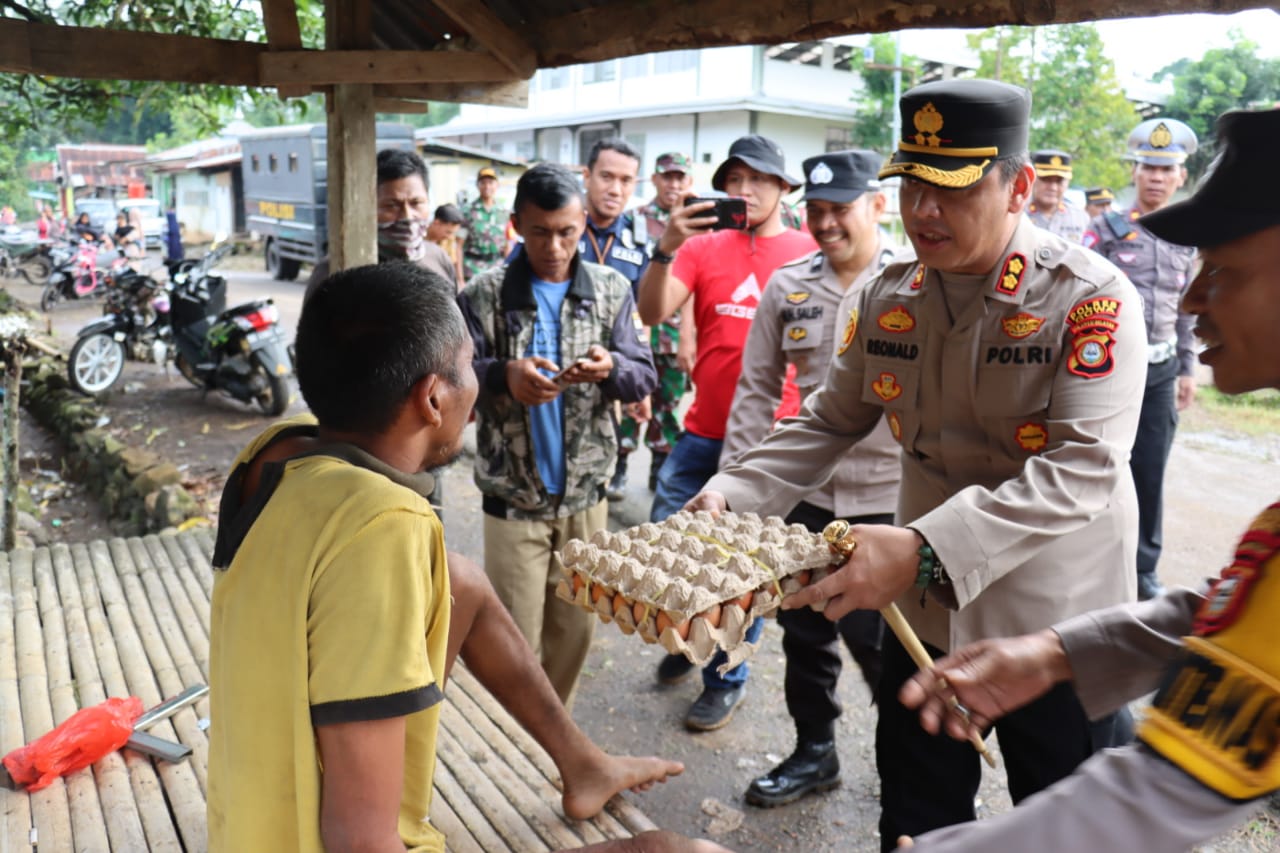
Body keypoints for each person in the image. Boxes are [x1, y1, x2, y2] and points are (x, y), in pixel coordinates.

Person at [685, 79, 1146, 849]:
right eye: (912, 187)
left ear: (1019, 187)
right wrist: (734, 489)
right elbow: (831, 416)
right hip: (926, 614)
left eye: (954, 188)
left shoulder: (1085, 299)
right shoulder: (888, 294)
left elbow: (1084, 468)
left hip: (1052, 620)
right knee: (916, 813)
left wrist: (926, 547)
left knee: (1072, 821)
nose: (924, 211)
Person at [207, 260, 713, 853]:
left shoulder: (278, 452)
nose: (476, 384)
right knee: (673, 852)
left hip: (244, 820)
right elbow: (358, 842)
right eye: (470, 364)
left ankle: (584, 765)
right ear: (431, 398)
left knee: (461, 583)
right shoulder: (382, 526)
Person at [897, 106, 1280, 852]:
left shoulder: (1085, 292)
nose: (1194, 298)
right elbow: (1239, 610)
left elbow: (1156, 796)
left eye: (1225, 269)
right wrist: (1057, 653)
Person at [722, 150, 902, 808]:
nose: (825, 224)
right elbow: (757, 392)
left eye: (840, 209)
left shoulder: (914, 282)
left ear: (877, 205)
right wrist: (740, 494)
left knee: (883, 642)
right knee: (805, 632)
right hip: (807, 494)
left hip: (891, 499)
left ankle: (911, 759)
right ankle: (815, 750)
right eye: (816, 211)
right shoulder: (788, 285)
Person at [458, 163, 657, 706]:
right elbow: (453, 382)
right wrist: (504, 376)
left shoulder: (612, 290)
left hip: (586, 496)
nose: (554, 246)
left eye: (567, 232)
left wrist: (610, 367)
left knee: (575, 632)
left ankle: (554, 731)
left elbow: (644, 374)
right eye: (541, 232)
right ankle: (516, 743)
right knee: (514, 641)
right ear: (517, 224)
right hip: (513, 497)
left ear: (582, 224)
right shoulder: (482, 294)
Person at [636, 134, 816, 731]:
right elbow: (652, 312)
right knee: (671, 545)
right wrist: (666, 246)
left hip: (769, 440)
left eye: (757, 180)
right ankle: (689, 643)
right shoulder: (702, 246)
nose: (743, 192)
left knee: (743, 567)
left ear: (784, 188)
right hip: (702, 427)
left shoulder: (809, 251)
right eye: (733, 181)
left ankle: (724, 676)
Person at [1084, 118, 1199, 602]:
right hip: (1108, 370)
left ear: (1181, 176)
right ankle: (1089, 565)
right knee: (1094, 467)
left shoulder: (1189, 232)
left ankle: (1142, 569)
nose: (1155, 176)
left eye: (1166, 168)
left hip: (1161, 370)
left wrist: (1189, 368)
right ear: (1134, 171)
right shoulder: (1106, 229)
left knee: (1149, 471)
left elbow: (1189, 305)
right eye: (1148, 166)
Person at [574, 139, 650, 501]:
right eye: (606, 176)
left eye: (626, 180)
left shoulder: (638, 241)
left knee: (611, 440)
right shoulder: (561, 226)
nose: (616, 189)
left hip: (615, 366)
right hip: (564, 366)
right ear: (587, 176)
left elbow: (643, 313)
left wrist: (641, 378)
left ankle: (611, 480)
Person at [305, 148, 457, 296]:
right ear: (369, 208)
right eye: (392, 205)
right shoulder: (335, 268)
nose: (407, 216)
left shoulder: (439, 258)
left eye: (416, 203)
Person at [630, 152, 695, 492]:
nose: (673, 184)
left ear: (689, 182)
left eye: (680, 177)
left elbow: (697, 283)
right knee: (631, 397)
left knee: (667, 404)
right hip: (637, 326)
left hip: (671, 332)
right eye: (667, 177)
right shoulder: (637, 219)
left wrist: (688, 335)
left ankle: (659, 467)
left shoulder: (696, 221)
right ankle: (621, 463)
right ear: (654, 179)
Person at [1025, 149, 1089, 244]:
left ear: (1067, 183)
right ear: (1032, 179)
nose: (1053, 187)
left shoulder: (1080, 217)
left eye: (1059, 181)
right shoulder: (1018, 213)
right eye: (1046, 179)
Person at [462, 166, 508, 281]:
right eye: (483, 182)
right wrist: (459, 278)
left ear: (497, 185)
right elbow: (458, 245)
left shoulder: (504, 212)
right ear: (478, 185)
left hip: (497, 269)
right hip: (473, 269)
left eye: (491, 182)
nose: (487, 186)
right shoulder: (467, 211)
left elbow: (507, 244)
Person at [428, 202, 467, 284]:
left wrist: (460, 280)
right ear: (436, 223)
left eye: (453, 233)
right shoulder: (418, 239)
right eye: (448, 232)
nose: (450, 236)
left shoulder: (448, 239)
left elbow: (451, 263)